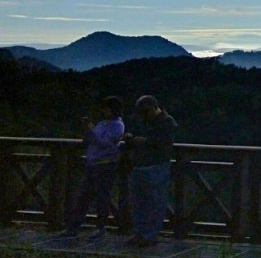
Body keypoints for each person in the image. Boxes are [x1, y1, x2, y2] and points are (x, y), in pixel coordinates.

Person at [59, 96, 125, 240]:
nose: (103, 111)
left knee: (102, 197)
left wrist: (91, 130)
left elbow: (103, 143)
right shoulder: (102, 123)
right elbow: (91, 140)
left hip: (105, 164)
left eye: (106, 108)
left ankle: (100, 227)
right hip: (92, 163)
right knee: (83, 196)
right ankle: (73, 227)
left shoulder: (117, 126)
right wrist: (87, 131)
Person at [122, 94, 176, 248]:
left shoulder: (167, 122)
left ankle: (149, 235)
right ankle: (139, 233)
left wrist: (144, 141)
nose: (143, 115)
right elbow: (134, 131)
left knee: (154, 202)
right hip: (140, 165)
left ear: (154, 107)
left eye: (145, 112)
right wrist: (130, 136)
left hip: (157, 165)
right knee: (138, 203)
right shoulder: (144, 120)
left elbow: (164, 143)